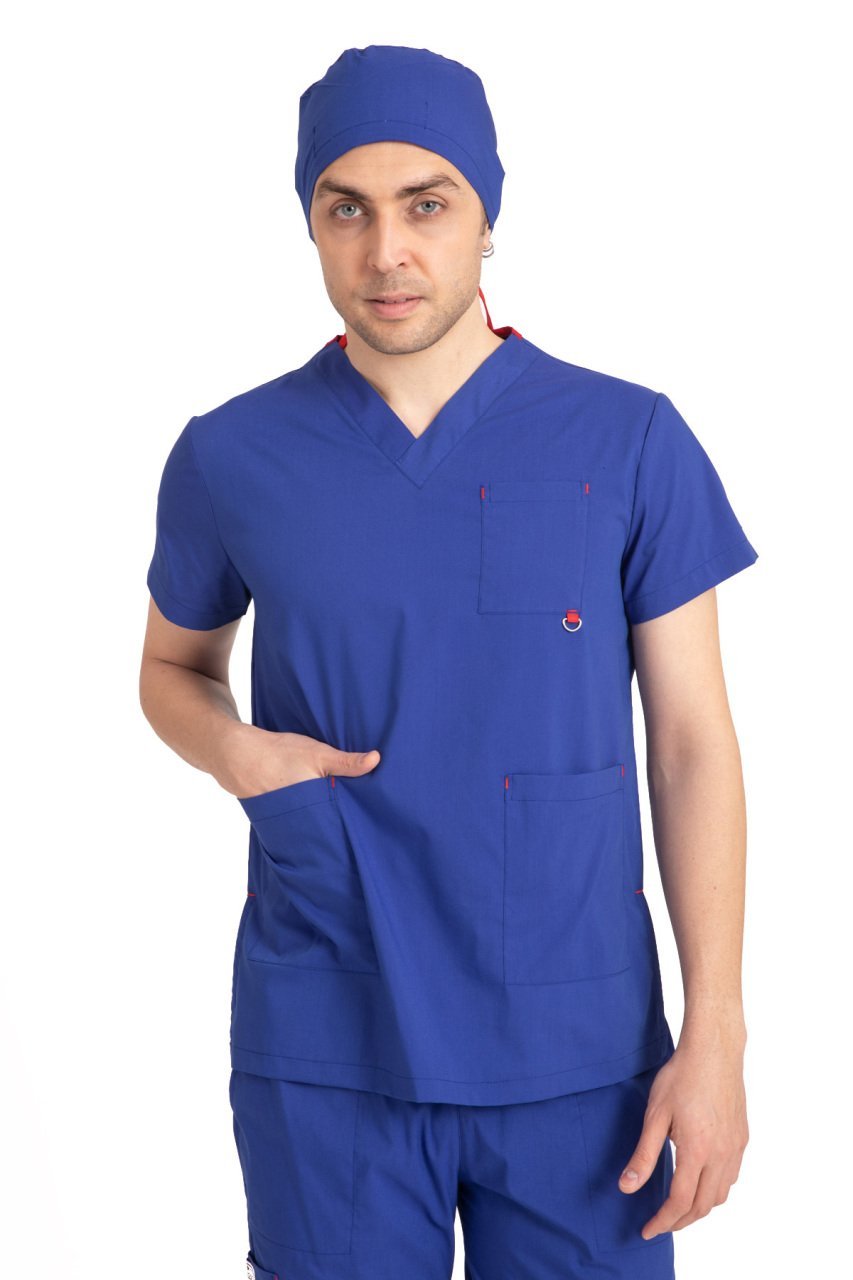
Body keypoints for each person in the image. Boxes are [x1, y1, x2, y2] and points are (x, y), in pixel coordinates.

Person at [139, 44, 757, 1280]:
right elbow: (171, 667)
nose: (386, 252)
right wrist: (236, 752)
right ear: (309, 222)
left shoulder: (627, 438)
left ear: (486, 215)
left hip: (580, 1049)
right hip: (329, 1031)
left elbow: (691, 743)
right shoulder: (232, 453)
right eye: (346, 210)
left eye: (426, 204)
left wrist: (717, 1035)